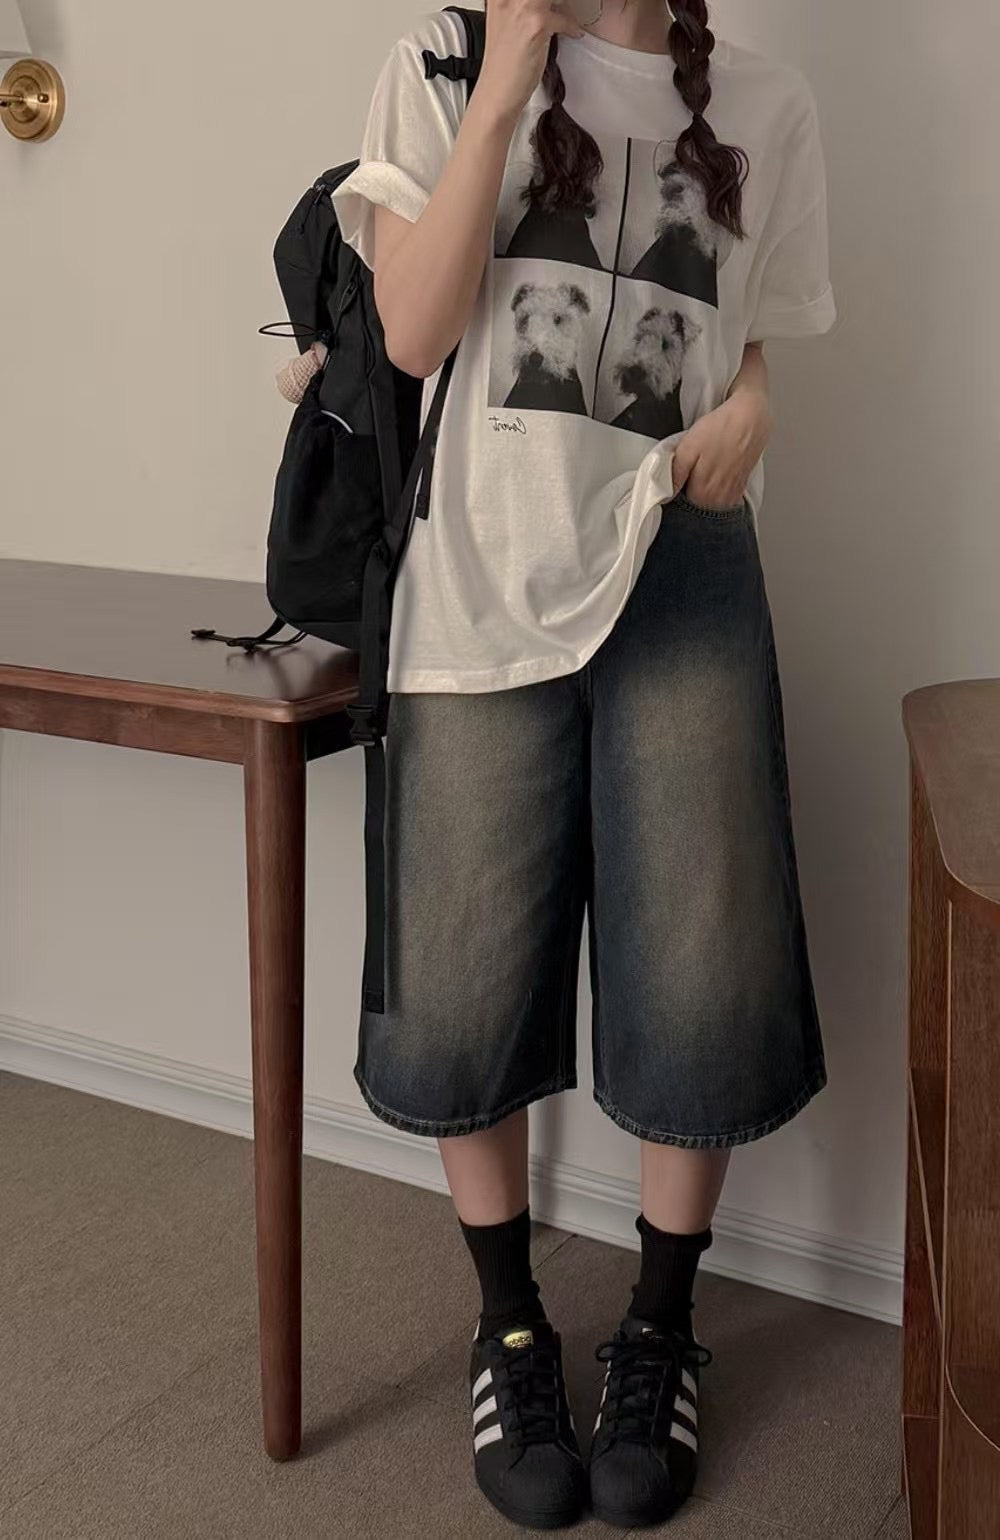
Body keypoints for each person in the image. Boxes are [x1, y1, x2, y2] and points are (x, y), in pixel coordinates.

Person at [331, 0, 835, 1527]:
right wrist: (502, 88)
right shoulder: (437, 62)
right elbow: (411, 332)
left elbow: (747, 330)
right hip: (476, 578)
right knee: (462, 974)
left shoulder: (765, 101)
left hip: (680, 560)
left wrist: (756, 401)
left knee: (702, 964)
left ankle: (661, 1327)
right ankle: (508, 1326)